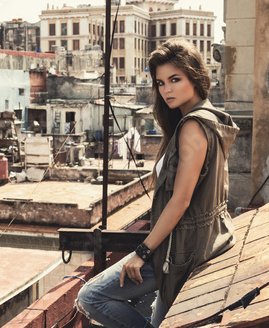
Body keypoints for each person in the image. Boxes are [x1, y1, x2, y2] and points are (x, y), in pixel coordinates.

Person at [76, 38, 239, 327]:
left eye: (175, 79)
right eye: (161, 82)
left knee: (91, 296)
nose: (166, 90)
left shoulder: (192, 126)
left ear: (195, 77)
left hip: (181, 250)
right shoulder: (211, 120)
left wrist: (141, 252)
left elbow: (181, 200)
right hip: (197, 242)